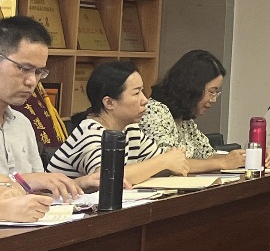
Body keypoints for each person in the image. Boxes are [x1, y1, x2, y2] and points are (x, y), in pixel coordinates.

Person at [49, 60, 190, 183]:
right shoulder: (89, 132)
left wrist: (170, 160)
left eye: (142, 91)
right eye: (136, 93)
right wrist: (164, 161)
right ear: (109, 102)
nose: (145, 100)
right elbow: (107, 177)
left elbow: (165, 164)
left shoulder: (131, 130)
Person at [140, 50, 270, 172]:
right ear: (192, 87)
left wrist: (252, 156)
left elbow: (208, 155)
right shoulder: (155, 112)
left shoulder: (185, 120)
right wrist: (222, 163)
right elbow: (166, 164)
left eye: (216, 93)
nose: (214, 99)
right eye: (211, 92)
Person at [0, 16, 85, 206]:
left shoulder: (22, 123)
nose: (32, 81)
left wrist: (78, 184)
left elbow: (38, 188)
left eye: (38, 72)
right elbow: (31, 182)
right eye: (24, 68)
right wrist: (25, 180)